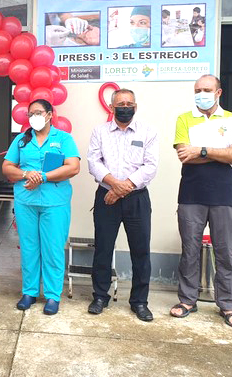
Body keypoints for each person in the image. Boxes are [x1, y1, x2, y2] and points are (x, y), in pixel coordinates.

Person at [170, 75, 232, 328]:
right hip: (191, 193)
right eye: (197, 90)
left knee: (225, 253)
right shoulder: (184, 118)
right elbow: (185, 155)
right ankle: (187, 300)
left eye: (206, 89)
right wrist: (220, 152)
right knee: (189, 251)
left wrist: (202, 150)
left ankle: (228, 305)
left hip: (225, 194)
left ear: (218, 92)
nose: (201, 94)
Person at [2, 99, 80, 315]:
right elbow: (7, 167)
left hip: (55, 203)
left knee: (53, 249)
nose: (34, 117)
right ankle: (29, 292)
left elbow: (73, 167)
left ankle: (53, 295)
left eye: (38, 112)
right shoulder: (21, 140)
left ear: (49, 114)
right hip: (26, 202)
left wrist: (43, 177)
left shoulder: (63, 139)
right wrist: (27, 173)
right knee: (29, 248)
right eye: (30, 114)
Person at [87, 89, 158, 321]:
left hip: (137, 198)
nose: (125, 107)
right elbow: (93, 162)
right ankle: (100, 296)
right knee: (103, 248)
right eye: (120, 104)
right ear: (111, 107)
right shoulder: (100, 131)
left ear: (135, 107)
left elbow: (150, 166)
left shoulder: (148, 131)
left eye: (129, 104)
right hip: (106, 196)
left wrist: (121, 188)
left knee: (141, 251)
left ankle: (139, 302)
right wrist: (114, 185)